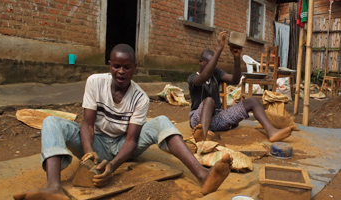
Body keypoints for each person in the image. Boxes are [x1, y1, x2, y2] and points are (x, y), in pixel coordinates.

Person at [13, 44, 233, 200]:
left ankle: (203, 176)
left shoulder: (140, 97)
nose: (121, 71)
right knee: (51, 122)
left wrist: (113, 167)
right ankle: (53, 188)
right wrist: (89, 153)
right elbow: (87, 124)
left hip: (124, 146)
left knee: (162, 121)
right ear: (110, 64)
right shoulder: (94, 82)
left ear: (134, 67)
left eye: (126, 67)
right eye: (116, 66)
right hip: (96, 143)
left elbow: (131, 140)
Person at [188, 31, 293, 143]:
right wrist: (219, 48)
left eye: (213, 64)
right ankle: (203, 138)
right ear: (200, 62)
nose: (212, 67)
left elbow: (235, 80)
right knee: (209, 101)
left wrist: (237, 57)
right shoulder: (193, 78)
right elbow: (205, 76)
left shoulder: (216, 73)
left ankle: (272, 132)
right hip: (198, 120)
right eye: (209, 63)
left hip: (217, 118)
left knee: (253, 101)